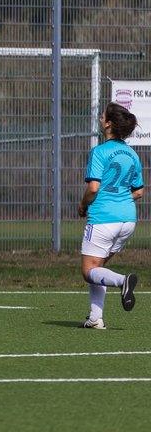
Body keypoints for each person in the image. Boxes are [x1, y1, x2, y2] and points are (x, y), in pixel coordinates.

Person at [76, 102, 142, 329]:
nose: (100, 117)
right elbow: (139, 191)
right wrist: (120, 201)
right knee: (98, 266)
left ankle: (123, 281)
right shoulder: (132, 154)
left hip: (104, 219)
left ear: (109, 124)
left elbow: (94, 188)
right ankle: (95, 318)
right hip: (128, 220)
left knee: (89, 271)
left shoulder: (99, 152)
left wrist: (83, 205)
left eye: (102, 115)